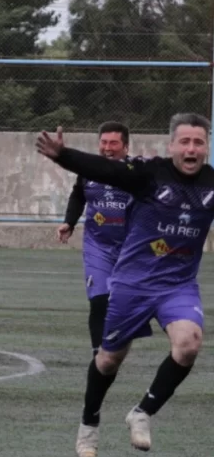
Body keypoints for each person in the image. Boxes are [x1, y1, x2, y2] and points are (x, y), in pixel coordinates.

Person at [36, 114, 213, 457]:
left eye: (199, 142)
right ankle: (89, 423)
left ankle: (142, 412)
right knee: (108, 360)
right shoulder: (151, 174)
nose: (191, 149)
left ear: (207, 147)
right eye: (185, 142)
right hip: (133, 283)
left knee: (189, 344)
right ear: (172, 146)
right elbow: (108, 171)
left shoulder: (211, 183)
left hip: (178, 285)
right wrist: (63, 155)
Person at [56, 122, 133, 353]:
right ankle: (98, 354)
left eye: (113, 143)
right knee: (99, 300)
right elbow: (78, 196)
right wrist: (69, 222)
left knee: (124, 304)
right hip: (97, 245)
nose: (107, 148)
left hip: (131, 248)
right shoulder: (88, 170)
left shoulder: (137, 173)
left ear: (126, 147)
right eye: (103, 142)